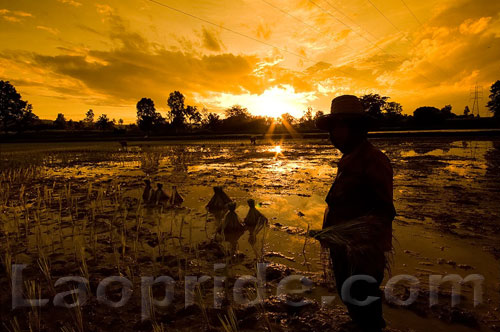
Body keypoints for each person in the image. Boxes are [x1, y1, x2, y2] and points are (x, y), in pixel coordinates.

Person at [315, 95, 396, 331]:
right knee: (347, 292)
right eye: (331, 129)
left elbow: (384, 210)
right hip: (344, 246)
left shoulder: (374, 161)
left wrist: (353, 235)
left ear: (357, 128)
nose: (332, 135)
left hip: (362, 250)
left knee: (362, 295)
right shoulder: (348, 159)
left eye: (337, 128)